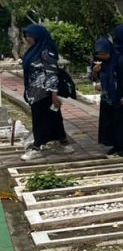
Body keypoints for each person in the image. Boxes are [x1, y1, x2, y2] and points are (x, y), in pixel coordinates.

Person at [20, 24, 73, 161]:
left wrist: (54, 94)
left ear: (38, 36)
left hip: (45, 93)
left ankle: (37, 147)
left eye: (29, 36)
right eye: (26, 36)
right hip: (35, 92)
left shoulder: (46, 51)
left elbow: (52, 73)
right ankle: (62, 143)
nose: (27, 39)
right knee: (53, 118)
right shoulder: (34, 50)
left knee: (40, 120)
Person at [92, 37, 123, 156]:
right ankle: (116, 145)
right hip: (107, 96)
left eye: (105, 53)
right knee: (109, 122)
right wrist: (95, 72)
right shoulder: (100, 62)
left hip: (120, 96)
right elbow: (93, 78)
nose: (103, 56)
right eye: (100, 54)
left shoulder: (120, 60)